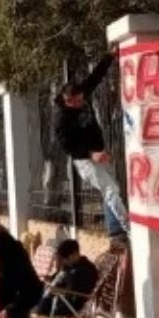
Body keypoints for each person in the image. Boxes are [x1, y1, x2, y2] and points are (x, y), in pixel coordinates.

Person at [53, 49, 129, 241]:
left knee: (113, 189)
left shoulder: (82, 93)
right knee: (110, 190)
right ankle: (129, 230)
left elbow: (96, 76)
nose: (80, 103)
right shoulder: (61, 118)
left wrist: (110, 56)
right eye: (76, 102)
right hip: (84, 160)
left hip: (99, 151)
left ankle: (115, 231)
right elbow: (66, 147)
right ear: (67, 101)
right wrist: (90, 154)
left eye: (81, 99)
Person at [36, 239, 99, 316]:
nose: (64, 262)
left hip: (69, 305)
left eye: (66, 259)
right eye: (63, 259)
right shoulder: (71, 266)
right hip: (59, 298)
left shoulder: (86, 270)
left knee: (43, 301)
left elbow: (76, 294)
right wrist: (50, 280)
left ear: (75, 254)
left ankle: (39, 316)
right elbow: (57, 279)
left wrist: (57, 290)